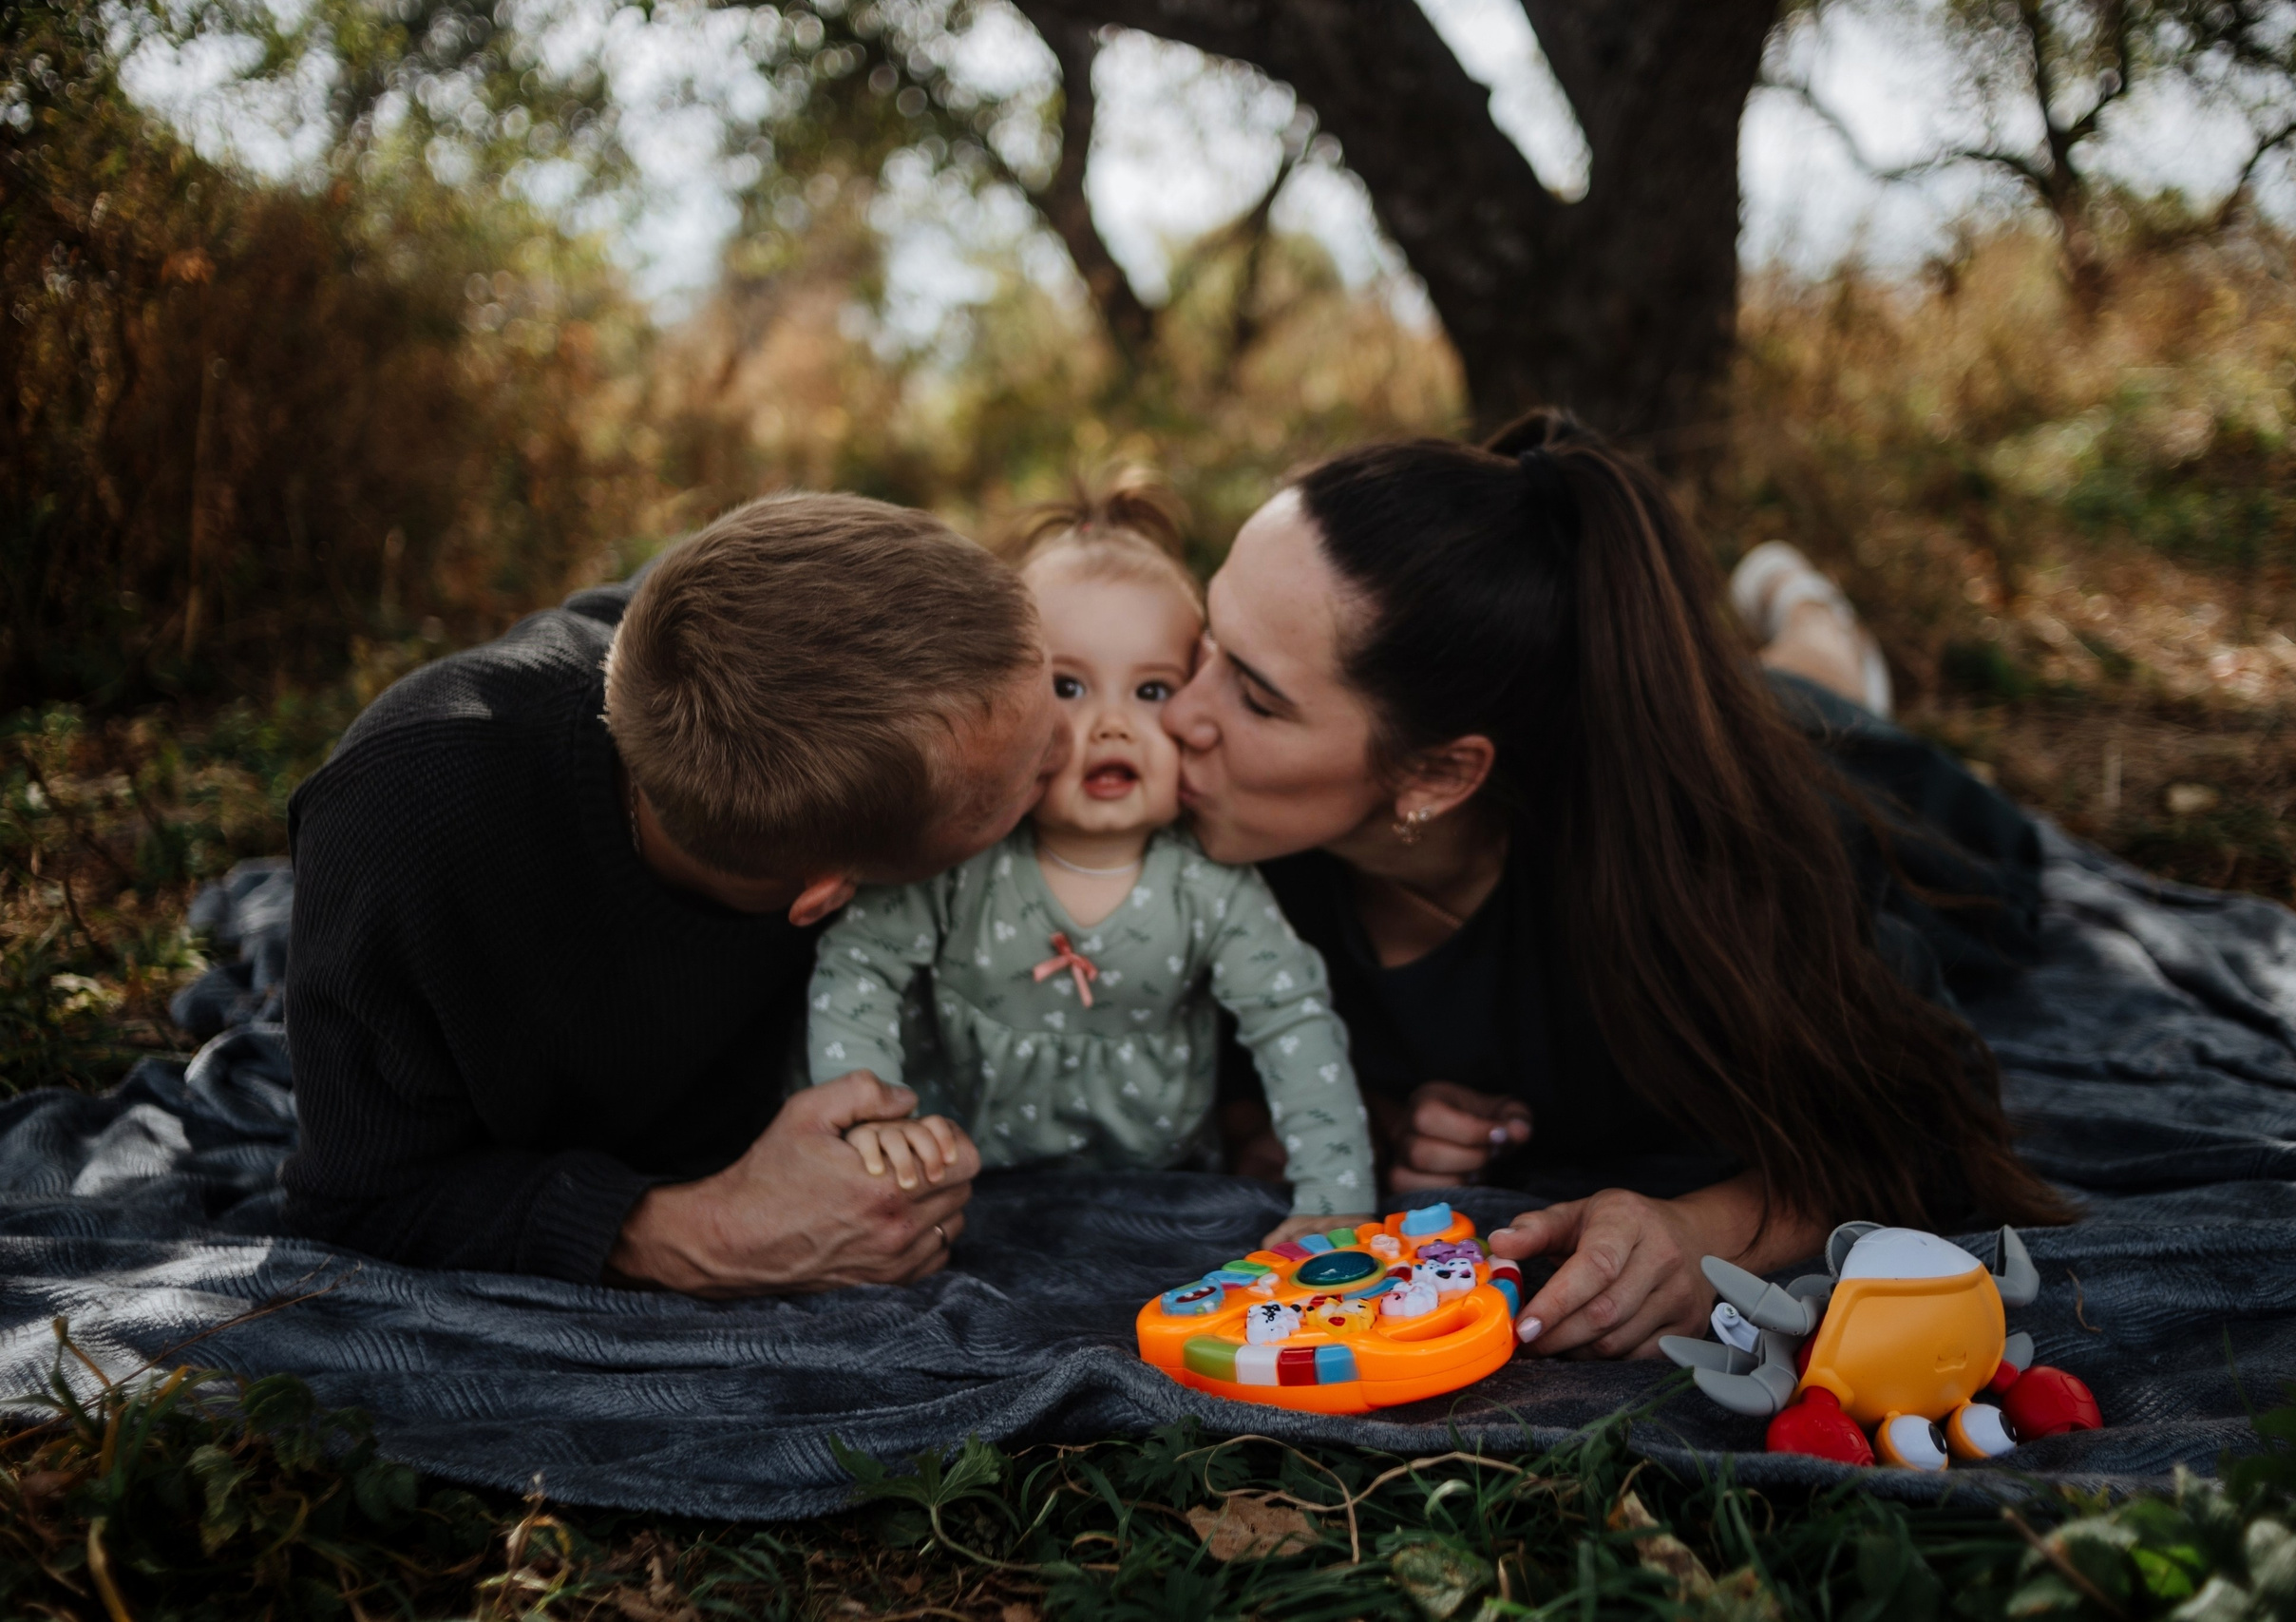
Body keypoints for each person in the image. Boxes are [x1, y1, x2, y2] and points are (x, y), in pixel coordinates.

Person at [1167, 410, 2074, 1362]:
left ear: (1434, 776)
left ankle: (1811, 610)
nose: (1179, 713)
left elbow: (1932, 1113)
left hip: (1848, 784)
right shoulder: (1224, 819)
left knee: (1807, 699)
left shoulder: (1693, 885)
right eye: (1204, 641)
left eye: (1253, 694)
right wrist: (1366, 1112)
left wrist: (1707, 1231)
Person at [281, 492, 1070, 1294]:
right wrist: (698, 1233)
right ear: (827, 894)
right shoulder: (397, 833)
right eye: (1033, 773)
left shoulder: (829, 670)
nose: (1079, 744)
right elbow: (362, 1197)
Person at [804, 479, 1375, 1248]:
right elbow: (859, 968)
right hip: (967, 1189)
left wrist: (1336, 1195)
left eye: (1151, 689)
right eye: (1068, 686)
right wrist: (871, 1119)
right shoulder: (962, 863)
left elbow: (1293, 1022)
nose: (1111, 724)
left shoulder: (1210, 889)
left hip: (1161, 1192)